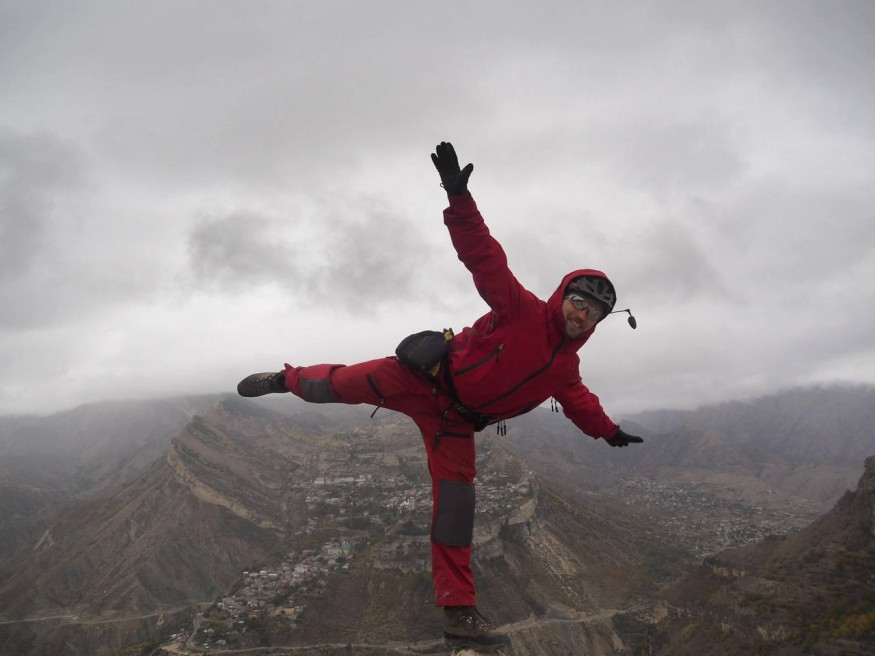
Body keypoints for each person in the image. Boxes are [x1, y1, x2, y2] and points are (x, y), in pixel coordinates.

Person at [237, 141, 643, 652]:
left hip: (456, 423)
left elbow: (580, 401)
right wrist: (457, 195)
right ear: (564, 295)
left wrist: (608, 432)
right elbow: (483, 255)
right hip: (423, 378)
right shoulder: (519, 308)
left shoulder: (566, 368)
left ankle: (458, 614)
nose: (581, 315)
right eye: (578, 302)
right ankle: (285, 380)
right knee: (337, 385)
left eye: (593, 313)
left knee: (456, 509)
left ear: (599, 321)